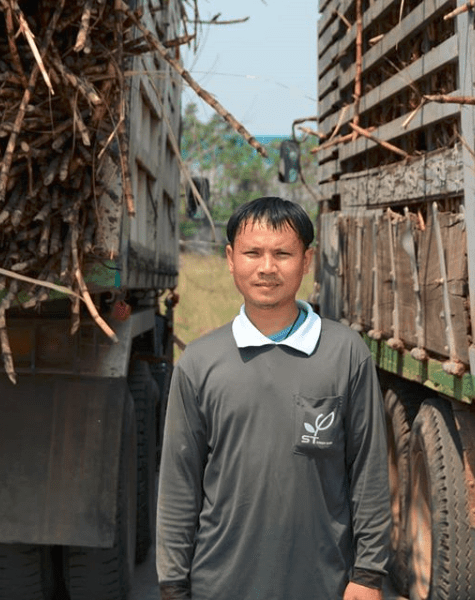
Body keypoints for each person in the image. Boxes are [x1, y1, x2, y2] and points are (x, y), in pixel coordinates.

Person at [156, 196, 391, 600]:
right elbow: (180, 483)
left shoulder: (344, 353)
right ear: (231, 259)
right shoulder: (199, 362)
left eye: (282, 253)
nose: (267, 267)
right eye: (252, 253)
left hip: (324, 582)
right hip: (219, 584)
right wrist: (175, 585)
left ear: (307, 259)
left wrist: (368, 574)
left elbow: (368, 470)